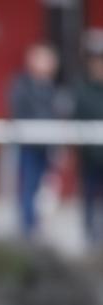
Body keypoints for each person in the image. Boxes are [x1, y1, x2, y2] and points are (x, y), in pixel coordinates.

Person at [9, 43, 60, 238]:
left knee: (45, 188)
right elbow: (17, 110)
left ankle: (38, 226)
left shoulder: (51, 88)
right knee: (28, 185)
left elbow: (56, 116)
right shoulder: (21, 85)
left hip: (47, 145)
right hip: (28, 144)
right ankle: (26, 228)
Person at [73, 33, 103, 244]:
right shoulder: (80, 87)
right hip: (88, 154)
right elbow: (76, 116)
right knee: (88, 197)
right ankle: (89, 237)